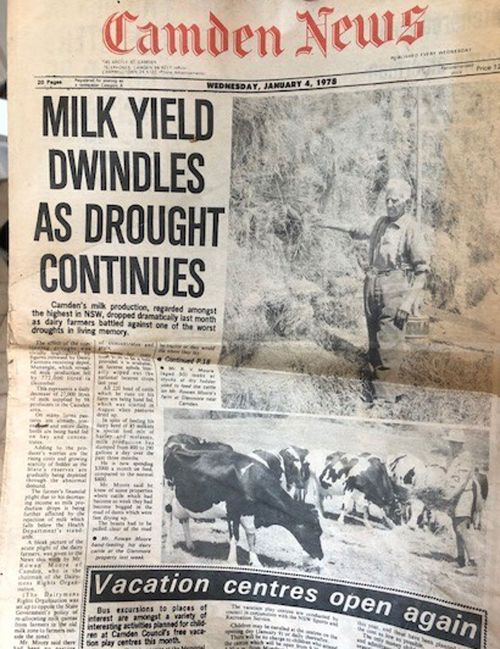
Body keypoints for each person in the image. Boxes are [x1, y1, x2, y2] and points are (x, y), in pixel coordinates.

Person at [333, 177, 429, 401]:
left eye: (395, 201)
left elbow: (422, 272)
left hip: (395, 287)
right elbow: (355, 230)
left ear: (406, 201)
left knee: (389, 346)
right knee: (374, 344)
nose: (390, 204)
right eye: (387, 200)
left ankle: (385, 404)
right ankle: (382, 394)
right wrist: (325, 223)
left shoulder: (411, 229)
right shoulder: (380, 223)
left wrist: (407, 302)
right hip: (373, 284)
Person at [443, 430, 479, 572]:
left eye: (453, 443)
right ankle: (460, 559)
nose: (450, 445)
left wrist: (450, 496)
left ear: (459, 444)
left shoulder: (465, 459)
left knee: (462, 529)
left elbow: (461, 482)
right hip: (454, 496)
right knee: (456, 528)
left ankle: (473, 563)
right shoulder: (453, 457)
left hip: (463, 496)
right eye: (450, 443)